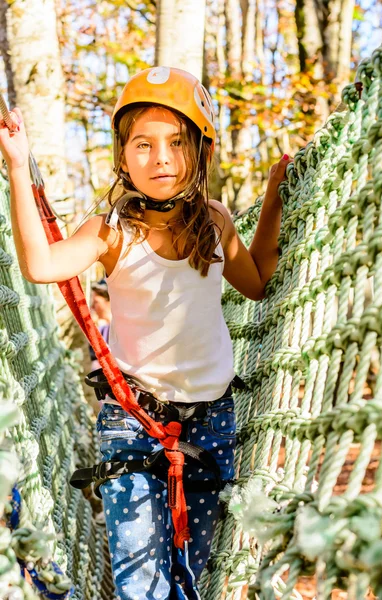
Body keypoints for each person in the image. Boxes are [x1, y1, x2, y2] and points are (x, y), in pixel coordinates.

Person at [0, 66, 292, 600]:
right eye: (143, 144)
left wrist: (273, 195)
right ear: (122, 155)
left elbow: (256, 283)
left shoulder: (215, 221)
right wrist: (18, 167)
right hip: (132, 423)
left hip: (211, 426)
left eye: (177, 143)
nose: (160, 158)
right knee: (142, 584)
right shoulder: (111, 230)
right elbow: (41, 264)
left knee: (191, 574)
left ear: (200, 153)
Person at [89, 279, 111, 371]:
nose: (92, 307)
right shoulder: (101, 331)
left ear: (109, 300)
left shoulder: (124, 330)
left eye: (96, 302)